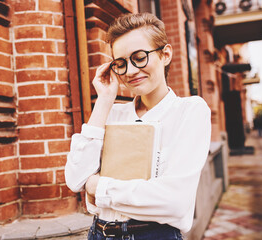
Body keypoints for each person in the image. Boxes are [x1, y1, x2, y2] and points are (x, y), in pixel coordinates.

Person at [65, 13, 211, 240]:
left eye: (140, 57)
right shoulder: (112, 113)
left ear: (165, 54)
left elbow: (174, 202)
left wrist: (98, 186)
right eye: (120, 63)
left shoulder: (189, 111)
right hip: (98, 234)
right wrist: (104, 100)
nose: (130, 71)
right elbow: (75, 179)